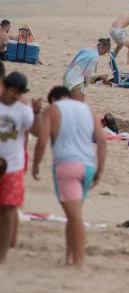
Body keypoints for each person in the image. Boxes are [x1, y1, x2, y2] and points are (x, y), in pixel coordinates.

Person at [31, 86, 106, 268]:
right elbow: (101, 141)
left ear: (54, 99)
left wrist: (35, 165)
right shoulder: (86, 109)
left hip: (67, 166)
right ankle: (69, 258)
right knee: (73, 215)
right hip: (88, 166)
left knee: (75, 216)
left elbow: (42, 140)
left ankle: (79, 260)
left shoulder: (52, 109)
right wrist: (99, 170)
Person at [0, 72, 43, 264]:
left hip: (13, 167)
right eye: (13, 92)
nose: (16, 96)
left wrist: (36, 113)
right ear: (5, 86)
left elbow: (38, 133)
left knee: (8, 210)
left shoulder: (23, 110)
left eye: (19, 93)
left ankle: (2, 256)